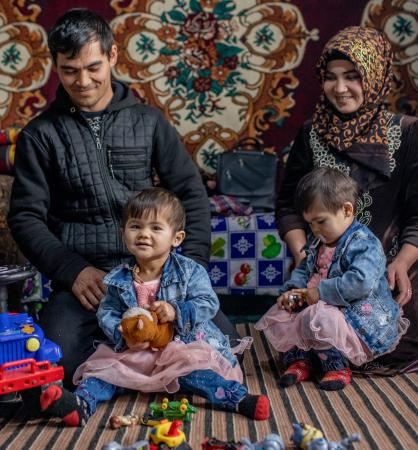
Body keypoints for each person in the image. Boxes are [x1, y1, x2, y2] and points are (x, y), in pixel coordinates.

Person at [7, 8, 240, 390]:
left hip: (160, 277)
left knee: (227, 348)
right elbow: (25, 217)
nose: (83, 81)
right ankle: (133, 357)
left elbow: (191, 195)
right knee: (59, 364)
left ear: (113, 56)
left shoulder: (148, 121)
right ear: (55, 66)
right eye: (69, 70)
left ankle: (124, 363)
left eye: (93, 67)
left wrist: (186, 270)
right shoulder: (40, 135)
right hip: (90, 284)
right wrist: (72, 270)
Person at [38, 188, 269, 426]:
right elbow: (106, 312)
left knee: (198, 374)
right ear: (123, 233)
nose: (144, 234)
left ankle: (236, 398)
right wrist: (123, 333)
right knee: (100, 374)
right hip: (136, 352)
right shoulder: (117, 278)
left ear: (176, 238)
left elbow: (208, 303)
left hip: (178, 348)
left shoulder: (189, 271)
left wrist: (176, 311)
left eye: (155, 228)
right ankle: (81, 404)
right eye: (135, 226)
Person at [275, 26, 418, 375]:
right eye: (331, 77)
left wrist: (401, 262)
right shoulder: (312, 134)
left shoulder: (409, 132)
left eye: (353, 77)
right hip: (327, 270)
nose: (340, 89)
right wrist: (303, 256)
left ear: (374, 76)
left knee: (392, 348)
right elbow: (288, 206)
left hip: (391, 271)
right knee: (302, 336)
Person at [256, 168, 409, 390]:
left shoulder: (364, 243)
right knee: (285, 310)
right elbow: (305, 268)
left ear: (347, 210)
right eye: (310, 224)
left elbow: (361, 282)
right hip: (316, 299)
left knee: (322, 316)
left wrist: (319, 293)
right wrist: (293, 290)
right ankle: (300, 360)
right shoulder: (319, 240)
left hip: (353, 313)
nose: (315, 230)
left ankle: (336, 366)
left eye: (320, 221)